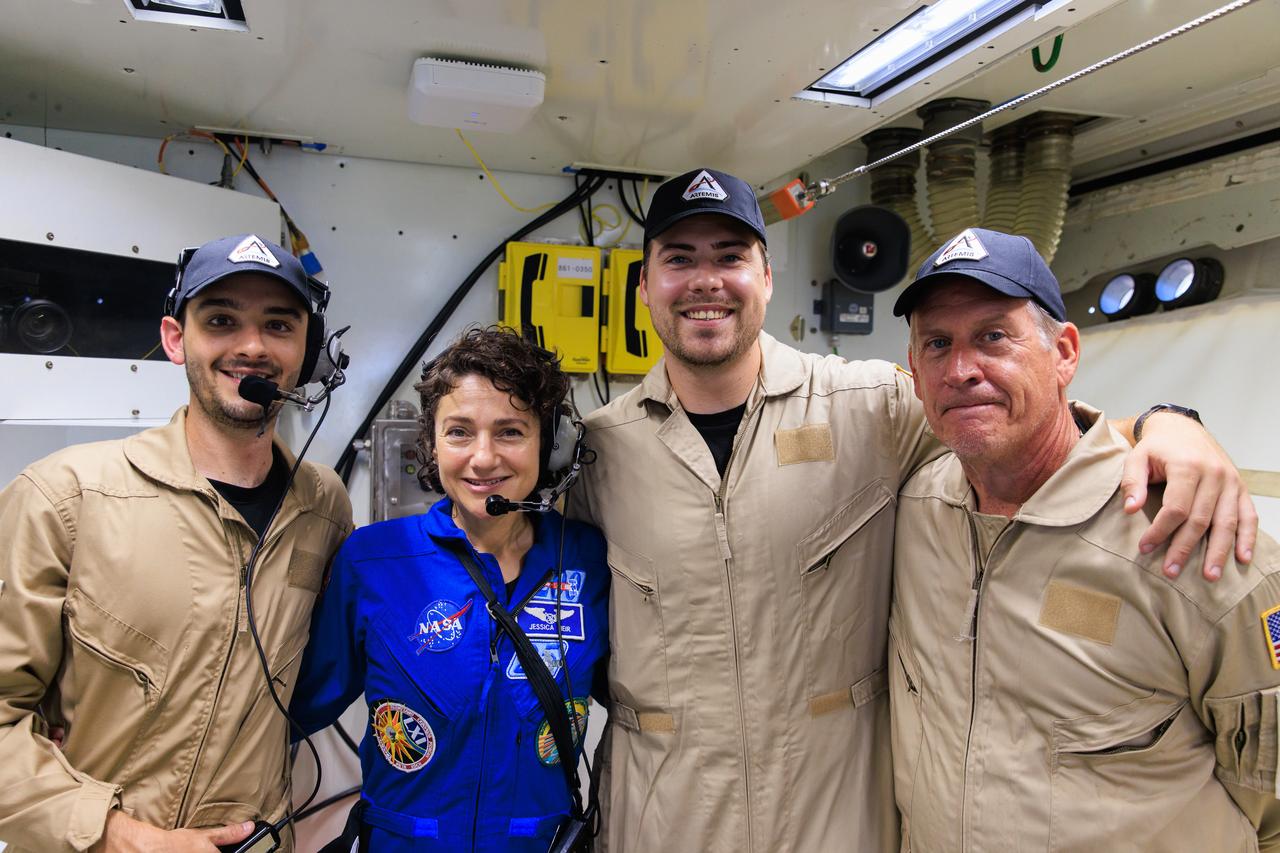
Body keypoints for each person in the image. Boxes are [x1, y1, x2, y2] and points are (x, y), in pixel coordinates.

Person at [565, 169, 1259, 852]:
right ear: (644, 286)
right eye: (679, 259)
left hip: (835, 830)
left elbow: (1025, 424)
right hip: (660, 826)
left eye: (730, 256)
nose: (706, 281)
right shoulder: (599, 454)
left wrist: (1171, 423)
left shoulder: (870, 408)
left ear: (767, 277)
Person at [887, 227, 1280, 851]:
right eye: (938, 344)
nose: (961, 370)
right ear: (913, 372)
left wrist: (1173, 420)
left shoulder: (1191, 535)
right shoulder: (912, 510)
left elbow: (1271, 792)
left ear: (1065, 353)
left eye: (993, 336)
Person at [0, 233, 353, 852]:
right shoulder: (65, 495)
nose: (251, 347)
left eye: (279, 324)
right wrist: (117, 835)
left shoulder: (324, 506)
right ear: (174, 338)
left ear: (306, 349)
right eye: (221, 321)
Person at [290, 327, 609, 852]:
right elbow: (292, 710)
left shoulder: (589, 561)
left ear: (548, 445)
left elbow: (642, 702)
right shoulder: (373, 561)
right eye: (459, 432)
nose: (483, 459)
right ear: (432, 445)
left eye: (510, 431)